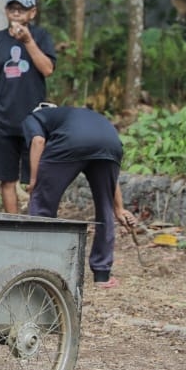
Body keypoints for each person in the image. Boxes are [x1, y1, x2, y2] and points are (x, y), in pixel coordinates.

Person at [23, 103, 138, 288]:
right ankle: (102, 275)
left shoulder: (34, 116)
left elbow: (38, 141)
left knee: (42, 203)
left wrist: (34, 180)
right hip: (111, 143)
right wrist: (118, 208)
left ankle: (38, 266)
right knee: (105, 209)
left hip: (72, 142)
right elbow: (111, 180)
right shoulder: (77, 115)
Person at [0, 0, 56, 213]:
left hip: (34, 120)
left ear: (33, 13)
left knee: (35, 179)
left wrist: (28, 41)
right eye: (13, 8)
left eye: (22, 9)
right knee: (6, 179)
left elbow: (48, 69)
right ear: (6, 12)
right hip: (1, 120)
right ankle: (13, 224)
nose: (17, 13)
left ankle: (35, 222)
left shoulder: (41, 37)